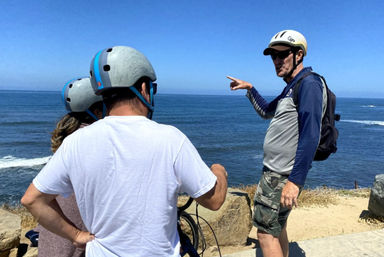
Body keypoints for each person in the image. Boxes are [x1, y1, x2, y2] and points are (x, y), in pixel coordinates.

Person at [22, 46, 228, 256]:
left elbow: (32, 200)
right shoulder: (170, 139)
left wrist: (76, 235)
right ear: (144, 88)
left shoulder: (74, 143)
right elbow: (214, 200)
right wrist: (218, 171)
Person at [228, 30, 327, 257]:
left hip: (281, 175)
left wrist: (295, 181)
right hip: (276, 173)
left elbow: (311, 135)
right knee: (276, 228)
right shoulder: (291, 87)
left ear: (299, 55)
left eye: (282, 55)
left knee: (265, 234)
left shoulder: (309, 85)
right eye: (273, 56)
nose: (276, 61)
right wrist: (250, 88)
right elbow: (266, 111)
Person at [37, 77, 104, 257]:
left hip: (52, 238)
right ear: (97, 110)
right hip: (74, 245)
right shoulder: (91, 141)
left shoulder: (69, 138)